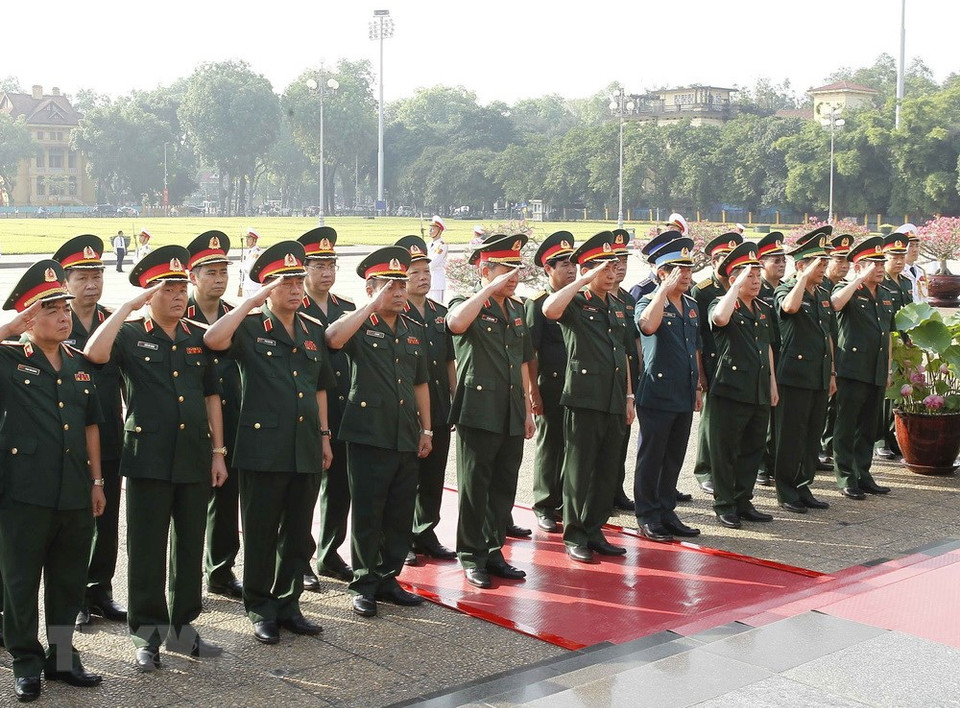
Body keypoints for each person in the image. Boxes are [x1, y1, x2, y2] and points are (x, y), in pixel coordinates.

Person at [84, 245, 228, 670]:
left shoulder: (195, 337)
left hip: (193, 457)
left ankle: (182, 629)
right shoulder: (129, 336)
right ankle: (146, 633)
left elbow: (211, 397)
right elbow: (93, 353)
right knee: (146, 549)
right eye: (168, 288)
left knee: (187, 548)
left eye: (182, 287)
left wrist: (218, 452)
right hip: (146, 457)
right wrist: (128, 308)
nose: (179, 295)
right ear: (150, 294)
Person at [203, 241, 334, 646]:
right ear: (266, 287)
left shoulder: (312, 330)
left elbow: (320, 389)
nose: (295, 289)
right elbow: (212, 340)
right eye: (285, 282)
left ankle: (289, 602)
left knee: (297, 533)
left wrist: (325, 436)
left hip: (305, 446)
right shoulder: (248, 326)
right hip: (263, 448)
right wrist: (249, 302)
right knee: (260, 532)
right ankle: (260, 606)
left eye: (298, 280)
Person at [0, 261, 105, 702]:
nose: (64, 316)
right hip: (25, 493)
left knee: (67, 581)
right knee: (20, 583)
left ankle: (62, 659)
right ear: (28, 317)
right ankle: (25, 662)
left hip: (75, 491)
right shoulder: (9, 360)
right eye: (51, 309)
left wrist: (97, 481)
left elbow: (92, 427)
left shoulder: (79, 365)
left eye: (65, 307)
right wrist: (12, 326)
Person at [325, 246, 433, 617]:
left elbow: (421, 384)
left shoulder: (413, 329)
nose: (400, 293)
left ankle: (389, 578)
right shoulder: (358, 322)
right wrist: (370, 306)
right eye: (391, 286)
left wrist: (428, 429)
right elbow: (333, 339)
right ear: (371, 288)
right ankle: (365, 583)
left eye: (402, 285)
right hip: (368, 432)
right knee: (369, 511)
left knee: (399, 512)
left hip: (405, 432)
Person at [446, 233, 536, 589]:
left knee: (503, 487)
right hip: (478, 410)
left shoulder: (516, 309)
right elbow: (455, 324)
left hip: (511, 410)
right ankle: (471, 555)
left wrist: (528, 409)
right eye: (505, 269)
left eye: (516, 269)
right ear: (485, 269)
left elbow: (523, 362)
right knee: (475, 488)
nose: (513, 276)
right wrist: (487, 288)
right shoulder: (466, 302)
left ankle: (493, 550)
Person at [542, 231, 635, 562]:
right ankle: (575, 534)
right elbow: (550, 309)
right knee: (579, 471)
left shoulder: (618, 304)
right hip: (583, 398)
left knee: (607, 469)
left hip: (612, 397)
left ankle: (595, 529)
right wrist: (582, 280)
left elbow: (622, 350)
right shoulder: (576, 303)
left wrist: (628, 395)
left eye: (613, 268)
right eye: (603, 269)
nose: (610, 274)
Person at [51, 236, 127, 630]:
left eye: (97, 275)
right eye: (82, 277)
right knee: (72, 524)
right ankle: (74, 595)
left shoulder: (113, 323)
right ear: (66, 281)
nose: (92, 284)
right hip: (65, 442)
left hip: (110, 438)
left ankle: (101, 590)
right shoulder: (53, 323)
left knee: (107, 518)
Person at [296, 227, 357, 590]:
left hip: (341, 406)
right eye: (318, 265)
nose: (326, 272)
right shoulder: (291, 305)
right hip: (306, 408)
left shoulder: (344, 309)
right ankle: (300, 557)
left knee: (339, 486)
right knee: (305, 487)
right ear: (304, 269)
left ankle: (330, 552)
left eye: (331, 265)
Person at [184, 231, 244, 601]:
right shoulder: (176, 311)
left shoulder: (236, 316)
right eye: (211, 272)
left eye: (223, 271)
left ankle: (220, 570)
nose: (219, 278)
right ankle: (187, 579)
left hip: (232, 416)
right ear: (193, 277)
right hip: (190, 419)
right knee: (190, 504)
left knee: (226, 498)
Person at [634, 237, 703, 542]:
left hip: (684, 392)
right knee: (652, 457)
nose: (686, 275)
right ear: (662, 273)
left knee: (673, 457)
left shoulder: (690, 305)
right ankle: (647, 515)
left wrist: (699, 384)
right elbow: (647, 326)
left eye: (689, 269)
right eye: (678, 270)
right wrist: (662, 291)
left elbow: (694, 348)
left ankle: (666, 510)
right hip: (658, 392)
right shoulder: (648, 300)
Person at [395, 235, 458, 563]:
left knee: (434, 475)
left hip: (438, 407)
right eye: (414, 272)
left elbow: (449, 359)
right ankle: (401, 535)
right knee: (407, 476)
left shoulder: (440, 312)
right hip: (406, 408)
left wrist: (455, 397)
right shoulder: (394, 312)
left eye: (426, 271)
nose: (422, 277)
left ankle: (425, 531)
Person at [707, 241, 778, 529]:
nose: (757, 281)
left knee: (752, 447)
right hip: (731, 389)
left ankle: (743, 499)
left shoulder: (762, 308)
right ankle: (725, 504)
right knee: (726, 451)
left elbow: (768, 347)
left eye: (758, 276)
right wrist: (734, 288)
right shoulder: (723, 303)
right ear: (734, 277)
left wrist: (772, 383)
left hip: (759, 387)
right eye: (750, 275)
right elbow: (719, 318)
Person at [773, 227, 835, 513]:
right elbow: (790, 307)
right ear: (801, 265)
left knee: (811, 434)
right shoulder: (786, 289)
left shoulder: (823, 294)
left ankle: (803, 485)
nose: (823, 268)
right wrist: (802, 278)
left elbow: (828, 336)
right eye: (818, 264)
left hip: (819, 374)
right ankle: (786, 490)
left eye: (824, 263)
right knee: (791, 435)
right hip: (794, 375)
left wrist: (832, 372)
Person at [829, 237, 896, 500]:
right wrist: (859, 278)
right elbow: (835, 303)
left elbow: (887, 335)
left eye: (881, 263)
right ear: (859, 266)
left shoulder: (887, 294)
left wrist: (889, 369)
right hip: (852, 369)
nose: (879, 269)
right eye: (872, 264)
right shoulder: (849, 290)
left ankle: (863, 474)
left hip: (876, 369)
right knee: (847, 425)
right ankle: (846, 476)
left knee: (869, 426)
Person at [525, 231, 576, 533]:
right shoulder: (538, 303)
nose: (571, 270)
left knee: (573, 446)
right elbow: (530, 351)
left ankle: (563, 501)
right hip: (551, 384)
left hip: (577, 385)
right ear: (548, 269)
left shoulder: (578, 299)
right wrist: (533, 390)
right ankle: (544, 503)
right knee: (550, 445)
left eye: (573, 264)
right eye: (564, 264)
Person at [691, 232, 743, 494]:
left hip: (737, 362)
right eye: (722, 258)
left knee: (732, 421)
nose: (726, 263)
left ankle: (726, 468)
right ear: (713, 261)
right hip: (712, 361)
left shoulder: (741, 286)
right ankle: (705, 469)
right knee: (711, 420)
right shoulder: (702, 291)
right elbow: (698, 333)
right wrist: (700, 373)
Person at [875, 233, 914, 460]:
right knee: (884, 394)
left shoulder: (906, 283)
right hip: (887, 343)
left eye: (902, 256)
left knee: (899, 393)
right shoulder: (881, 284)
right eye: (893, 256)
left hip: (904, 344)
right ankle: (880, 440)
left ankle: (894, 436)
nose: (899, 261)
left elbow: (910, 316)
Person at [611, 229, 640, 512]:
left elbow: (634, 342)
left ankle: (615, 489)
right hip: (602, 380)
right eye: (615, 259)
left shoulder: (628, 300)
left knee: (622, 437)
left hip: (627, 377)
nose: (620, 265)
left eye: (624, 259)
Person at [819, 233, 853, 467]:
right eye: (838, 260)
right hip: (823, 353)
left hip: (838, 352)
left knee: (835, 404)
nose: (843, 265)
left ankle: (827, 444)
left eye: (846, 261)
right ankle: (822, 445)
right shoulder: (818, 285)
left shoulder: (842, 286)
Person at [755, 232, 786, 487]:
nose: (781, 264)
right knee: (765, 416)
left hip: (783, 355)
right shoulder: (757, 289)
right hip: (765, 354)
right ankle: (762, 466)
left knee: (779, 415)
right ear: (762, 262)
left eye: (783, 259)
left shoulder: (783, 288)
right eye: (775, 260)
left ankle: (775, 460)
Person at [897, 224, 928, 303]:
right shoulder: (897, 272)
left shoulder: (920, 271)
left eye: (917, 246)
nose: (915, 250)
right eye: (911, 246)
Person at [427, 216, 448, 303]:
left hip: (437, 280)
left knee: (437, 304)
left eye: (432, 229)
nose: (430, 231)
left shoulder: (442, 245)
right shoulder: (428, 244)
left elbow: (433, 263)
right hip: (428, 278)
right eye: (430, 229)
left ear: (439, 231)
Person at [238, 228, 263, 298]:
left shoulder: (258, 252)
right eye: (246, 238)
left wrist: (243, 267)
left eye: (249, 238)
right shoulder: (247, 252)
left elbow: (250, 267)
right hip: (246, 285)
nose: (246, 240)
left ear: (254, 240)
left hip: (254, 286)